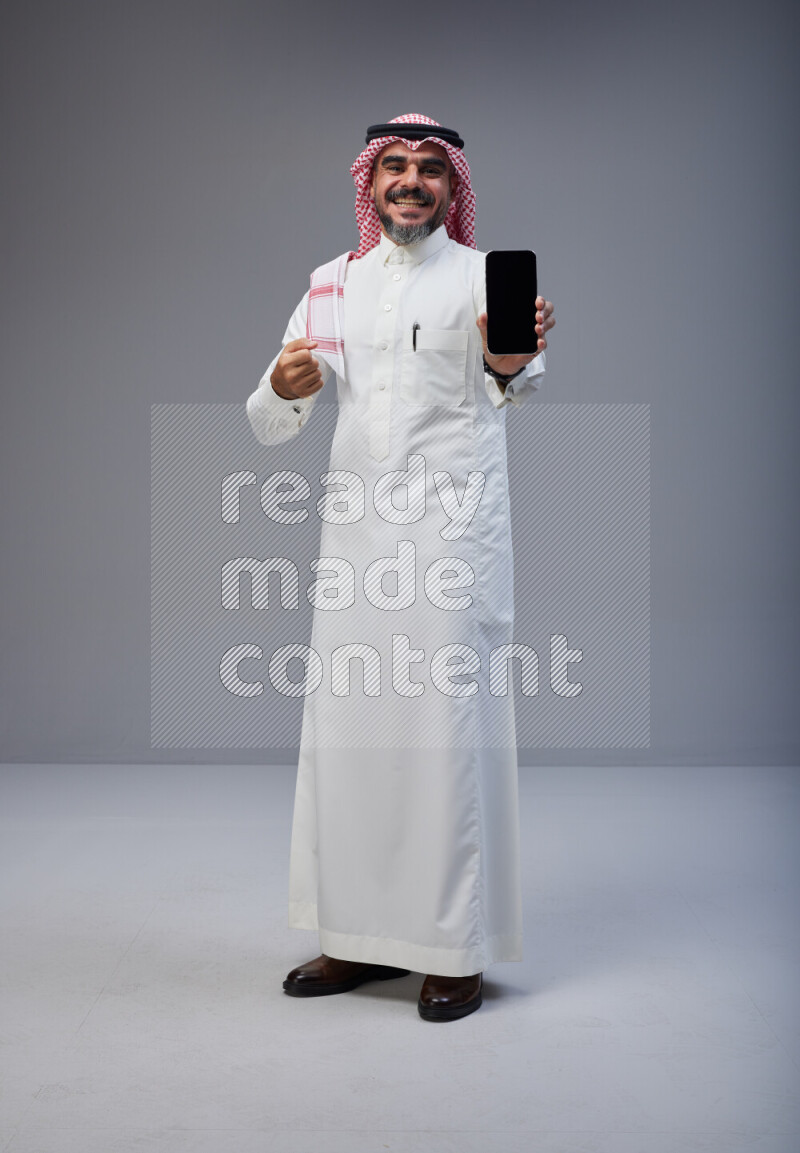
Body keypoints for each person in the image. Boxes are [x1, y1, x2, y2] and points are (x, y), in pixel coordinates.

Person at [246, 114, 555, 1021]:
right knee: (347, 736)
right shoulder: (329, 284)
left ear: (452, 187)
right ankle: (354, 938)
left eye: (429, 169)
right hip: (355, 545)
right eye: (394, 167)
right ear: (369, 182)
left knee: (441, 737)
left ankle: (452, 949)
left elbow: (522, 380)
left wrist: (510, 358)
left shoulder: (478, 276)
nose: (411, 181)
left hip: (451, 543)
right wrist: (282, 387)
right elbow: (271, 414)